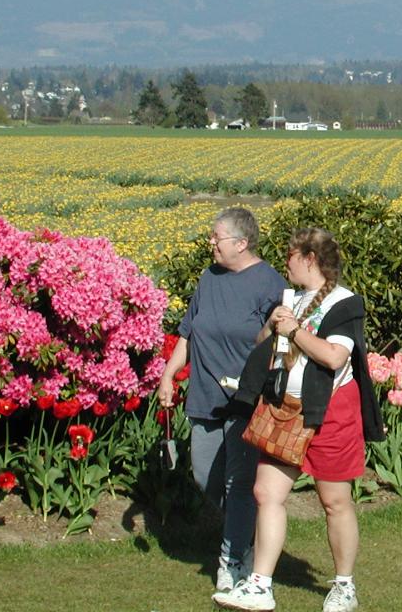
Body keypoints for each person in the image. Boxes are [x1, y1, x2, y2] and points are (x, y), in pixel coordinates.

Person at [215, 227, 384, 612]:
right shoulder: (289, 298)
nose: (285, 262)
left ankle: (344, 586)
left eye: (290, 255)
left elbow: (334, 358)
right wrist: (272, 325)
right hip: (283, 409)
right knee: (266, 493)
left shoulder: (345, 303)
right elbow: (266, 348)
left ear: (309, 258)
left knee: (334, 501)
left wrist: (295, 329)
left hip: (328, 412)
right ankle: (260, 585)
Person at [158, 208, 285, 593]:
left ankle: (232, 560)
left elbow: (281, 341)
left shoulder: (269, 283)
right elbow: (188, 334)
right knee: (204, 476)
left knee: (239, 482)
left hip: (246, 400)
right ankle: (249, 534)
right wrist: (168, 375)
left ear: (241, 243)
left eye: (217, 237)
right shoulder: (208, 278)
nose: (211, 243)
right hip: (205, 396)